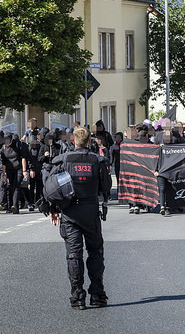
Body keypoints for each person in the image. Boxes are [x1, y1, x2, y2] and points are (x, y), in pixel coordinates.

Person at [49, 127, 111, 310]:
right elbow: (106, 187)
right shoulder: (98, 161)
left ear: (74, 141)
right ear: (89, 141)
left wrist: (53, 209)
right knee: (95, 252)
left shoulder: (63, 160)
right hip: (90, 211)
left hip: (70, 212)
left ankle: (77, 297)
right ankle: (98, 294)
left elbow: (53, 188)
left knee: (74, 255)